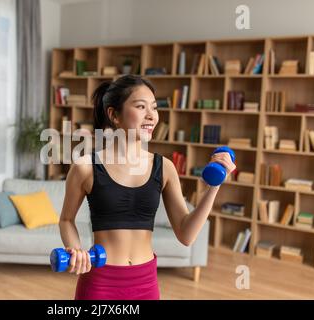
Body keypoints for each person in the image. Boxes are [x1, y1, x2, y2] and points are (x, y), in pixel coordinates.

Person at [58, 74, 236, 300]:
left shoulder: (165, 168)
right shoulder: (86, 167)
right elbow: (66, 219)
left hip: (146, 282)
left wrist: (214, 186)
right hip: (100, 282)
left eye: (154, 107)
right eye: (141, 107)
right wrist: (76, 250)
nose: (152, 116)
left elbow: (186, 234)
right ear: (114, 115)